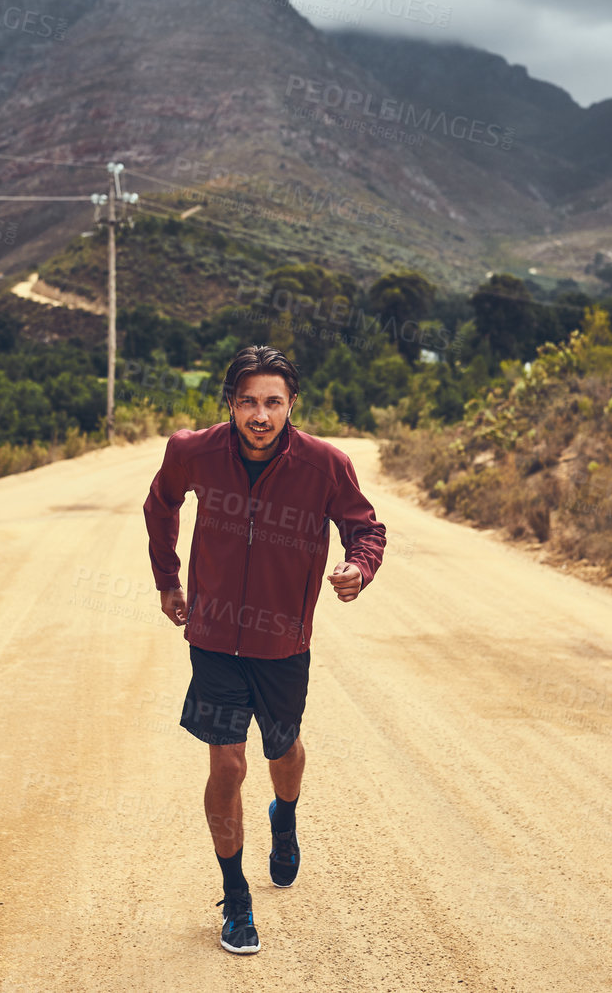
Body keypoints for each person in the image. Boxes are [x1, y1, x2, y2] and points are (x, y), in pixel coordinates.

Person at [142, 345, 386, 955]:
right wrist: (167, 580)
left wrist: (359, 566)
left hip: (283, 641)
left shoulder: (325, 465)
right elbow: (160, 503)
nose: (260, 415)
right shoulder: (192, 451)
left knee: (284, 751)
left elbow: (365, 528)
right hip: (215, 636)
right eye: (248, 401)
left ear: (291, 405)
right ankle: (236, 896)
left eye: (273, 402)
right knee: (227, 764)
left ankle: (286, 814)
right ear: (230, 403)